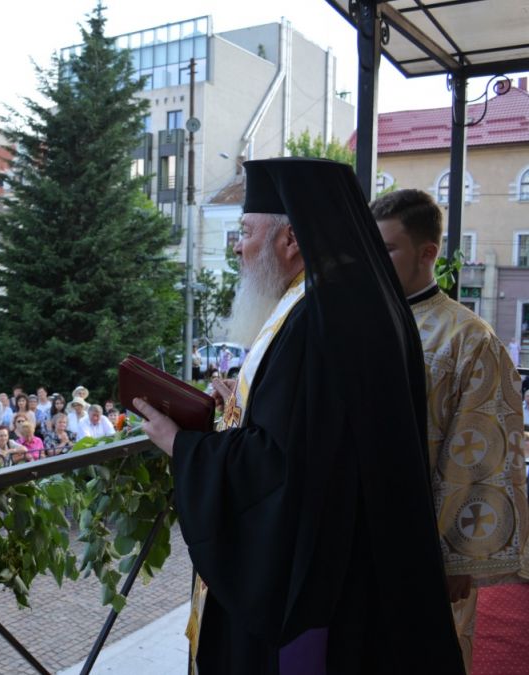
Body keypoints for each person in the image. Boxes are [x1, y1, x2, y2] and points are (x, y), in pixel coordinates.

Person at [134, 159, 461, 673]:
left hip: (319, 585)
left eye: (245, 232)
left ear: (290, 239)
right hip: (357, 560)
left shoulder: (317, 320)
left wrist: (183, 445)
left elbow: (283, 466)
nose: (237, 247)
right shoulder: (337, 302)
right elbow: (307, 428)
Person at [373, 188, 529, 670]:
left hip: (426, 543)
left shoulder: (468, 338)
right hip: (361, 532)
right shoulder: (361, 324)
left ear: (428, 253)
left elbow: (484, 452)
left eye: (389, 249)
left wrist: (460, 557)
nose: (375, 260)